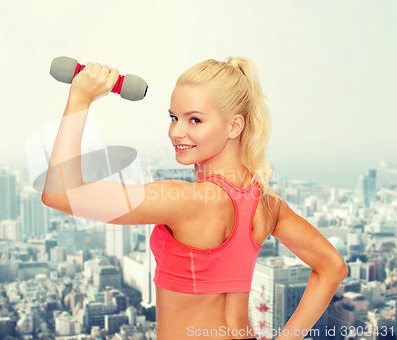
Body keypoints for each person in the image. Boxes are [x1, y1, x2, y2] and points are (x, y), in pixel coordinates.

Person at [41, 57, 348, 340]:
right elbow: (332, 267)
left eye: (195, 120)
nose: (176, 132)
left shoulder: (186, 200)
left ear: (234, 125)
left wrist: (80, 98)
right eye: (174, 117)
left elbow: (59, 193)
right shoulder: (267, 202)